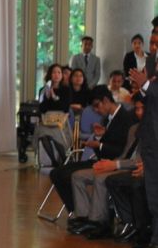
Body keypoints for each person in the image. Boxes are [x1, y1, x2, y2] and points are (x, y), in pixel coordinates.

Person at [68, 94, 143, 239]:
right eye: (137, 109)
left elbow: (140, 160)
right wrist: (110, 163)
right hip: (120, 163)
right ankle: (84, 217)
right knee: (77, 176)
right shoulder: (134, 129)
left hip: (132, 168)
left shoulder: (151, 130)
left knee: (101, 178)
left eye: (142, 109)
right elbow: (125, 153)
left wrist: (114, 164)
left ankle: (98, 221)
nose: (138, 112)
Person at [50, 85, 134, 215]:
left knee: (67, 175)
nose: (96, 110)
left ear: (106, 100)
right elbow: (105, 147)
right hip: (100, 160)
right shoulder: (106, 119)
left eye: (97, 105)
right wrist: (99, 138)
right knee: (56, 173)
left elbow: (123, 151)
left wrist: (99, 145)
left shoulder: (126, 118)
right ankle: (78, 210)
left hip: (112, 163)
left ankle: (84, 212)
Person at [128, 31, 158, 248]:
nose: (153, 46)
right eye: (152, 41)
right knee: (152, 192)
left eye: (156, 41)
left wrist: (146, 84)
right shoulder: (150, 62)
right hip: (150, 135)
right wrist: (141, 88)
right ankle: (154, 239)